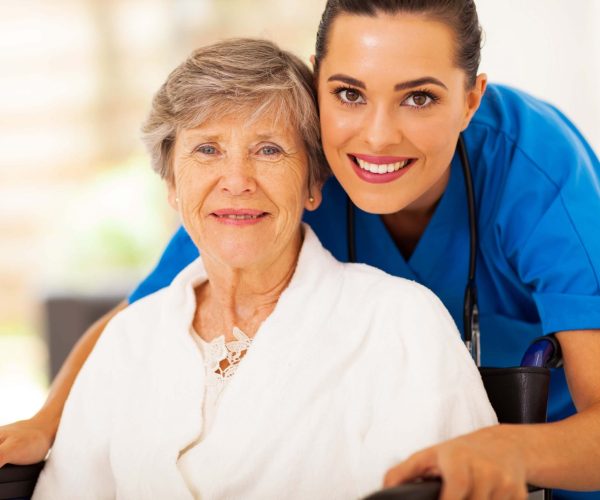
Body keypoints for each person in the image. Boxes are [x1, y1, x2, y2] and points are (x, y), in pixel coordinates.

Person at [1, 0, 599, 497]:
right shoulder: (280, 173)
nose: (377, 134)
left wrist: (498, 446)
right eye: (349, 93)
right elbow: (144, 319)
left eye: (419, 97)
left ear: (471, 99)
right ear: (319, 81)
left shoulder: (540, 177)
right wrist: (47, 424)